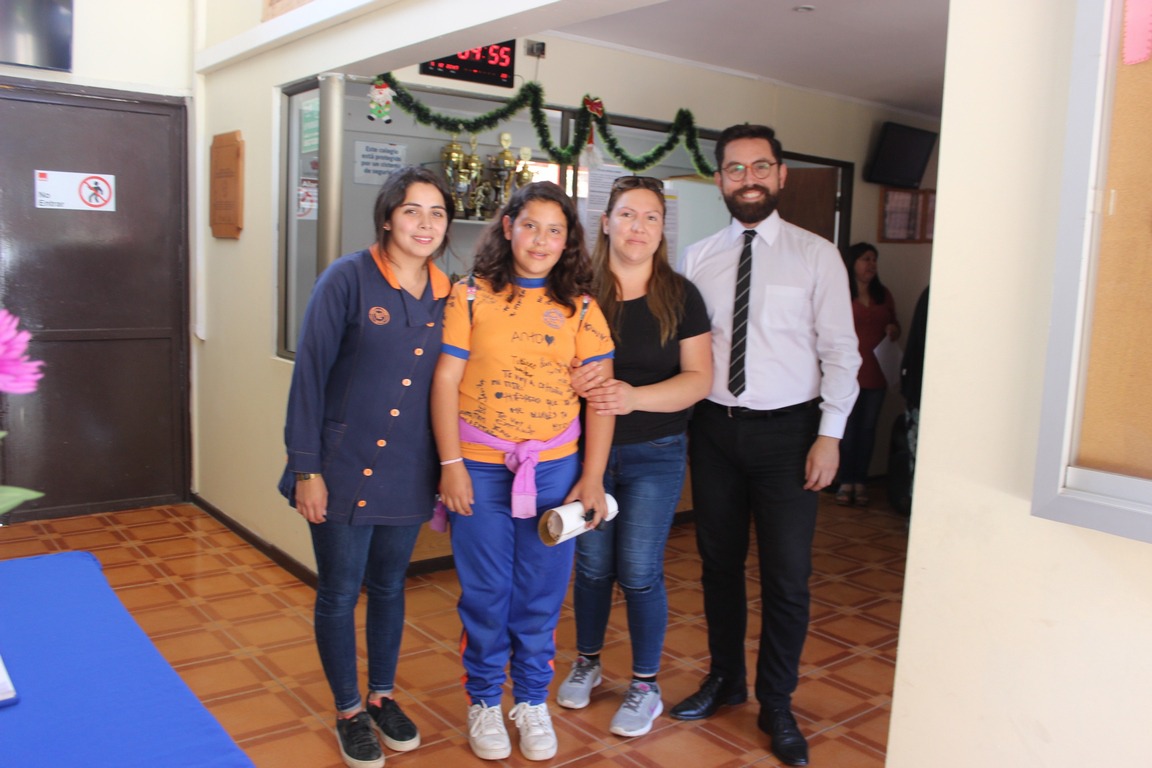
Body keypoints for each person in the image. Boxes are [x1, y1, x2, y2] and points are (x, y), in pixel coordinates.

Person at [674, 124, 861, 767]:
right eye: (735, 168)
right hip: (714, 430)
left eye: (760, 167)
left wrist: (830, 435)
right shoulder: (696, 258)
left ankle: (776, 701)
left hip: (790, 435)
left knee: (786, 576)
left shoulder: (817, 255)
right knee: (718, 565)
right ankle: (726, 677)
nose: (748, 179)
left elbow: (841, 352)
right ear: (719, 179)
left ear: (781, 175)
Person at [431, 181, 616, 762]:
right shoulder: (468, 297)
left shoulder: (582, 309)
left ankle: (532, 699)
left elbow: (602, 398)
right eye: (531, 225)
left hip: (556, 474)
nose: (541, 240)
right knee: (486, 591)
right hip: (480, 469)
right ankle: (485, 699)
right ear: (508, 227)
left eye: (555, 230)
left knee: (541, 591)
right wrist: (451, 465)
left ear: (568, 241)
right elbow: (445, 381)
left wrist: (592, 478)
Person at [279, 166, 454, 768]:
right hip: (341, 466)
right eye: (412, 211)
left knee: (389, 586)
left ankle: (382, 697)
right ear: (387, 217)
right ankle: (349, 710)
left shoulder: (450, 294)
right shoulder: (347, 278)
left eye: (437, 213)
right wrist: (307, 469)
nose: (425, 224)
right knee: (338, 591)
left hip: (410, 467)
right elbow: (309, 376)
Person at [556, 176, 712, 737]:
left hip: (655, 454)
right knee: (593, 568)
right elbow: (546, 360)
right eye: (626, 215)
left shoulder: (682, 296)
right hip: (585, 457)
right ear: (605, 223)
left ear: (662, 229)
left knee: (640, 571)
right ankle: (588, 662)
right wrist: (570, 377)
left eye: (650, 217)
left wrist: (634, 397)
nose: (637, 227)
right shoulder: (577, 290)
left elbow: (699, 379)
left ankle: (645, 684)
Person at [835, 242, 900, 507]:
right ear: (853, 263)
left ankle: (860, 481)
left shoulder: (883, 294)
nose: (871, 264)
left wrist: (894, 330)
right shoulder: (840, 292)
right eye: (865, 259)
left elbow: (895, 324)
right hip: (847, 374)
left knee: (867, 430)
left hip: (876, 373)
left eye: (874, 259)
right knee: (847, 430)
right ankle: (844, 481)